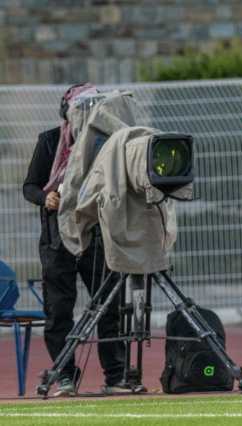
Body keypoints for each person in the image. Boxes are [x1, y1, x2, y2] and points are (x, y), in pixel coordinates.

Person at [23, 83, 127, 396]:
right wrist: (46, 198)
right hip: (58, 241)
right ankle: (65, 375)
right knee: (58, 311)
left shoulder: (104, 143)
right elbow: (29, 186)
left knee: (109, 306)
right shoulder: (49, 141)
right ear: (67, 112)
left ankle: (116, 375)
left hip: (95, 236)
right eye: (80, 108)